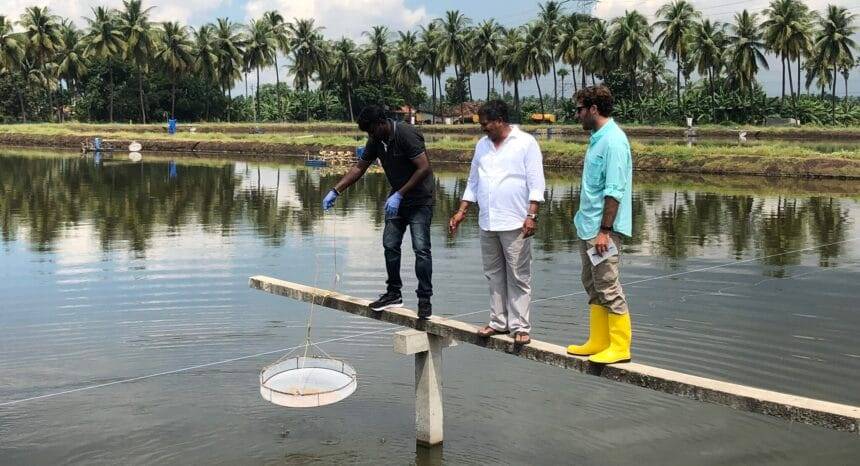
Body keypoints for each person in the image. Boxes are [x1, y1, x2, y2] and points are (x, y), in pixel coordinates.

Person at [322, 105, 435, 318]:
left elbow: (424, 167)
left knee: (421, 249)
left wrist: (399, 194)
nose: (370, 135)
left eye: (372, 130)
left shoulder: (406, 134)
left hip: (420, 200)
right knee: (390, 244)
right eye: (367, 133)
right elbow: (359, 167)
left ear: (382, 123)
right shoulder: (376, 139)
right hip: (398, 198)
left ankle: (424, 300)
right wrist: (335, 190)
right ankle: (393, 294)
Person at [448, 100, 545, 345]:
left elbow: (536, 183)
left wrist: (531, 215)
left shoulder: (525, 143)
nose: (483, 128)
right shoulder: (482, 145)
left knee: (518, 275)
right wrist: (461, 211)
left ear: (500, 121)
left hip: (515, 221)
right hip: (488, 221)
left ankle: (521, 327)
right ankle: (498, 322)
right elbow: (473, 181)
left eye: (486, 124)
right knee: (493, 274)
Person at [566, 85, 634, 364]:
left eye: (579, 109)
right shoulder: (596, 139)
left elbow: (614, 191)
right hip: (589, 226)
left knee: (607, 283)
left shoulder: (614, 141)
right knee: (592, 283)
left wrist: (605, 232)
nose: (577, 115)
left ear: (593, 109)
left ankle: (620, 346)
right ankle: (599, 340)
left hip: (603, 230)